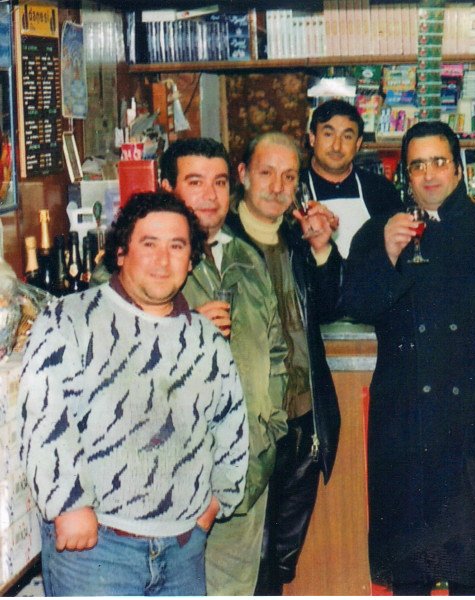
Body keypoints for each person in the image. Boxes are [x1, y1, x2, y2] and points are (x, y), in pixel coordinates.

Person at [342, 121, 475, 595]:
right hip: (404, 428)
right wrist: (387, 257)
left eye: (438, 162)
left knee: (470, 573)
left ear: (458, 168)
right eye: (417, 165)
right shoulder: (379, 232)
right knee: (409, 576)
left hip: (471, 426)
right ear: (404, 175)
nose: (429, 175)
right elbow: (355, 306)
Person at [20, 192, 248, 596]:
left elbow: (231, 426)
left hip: (183, 550)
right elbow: (44, 417)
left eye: (177, 246)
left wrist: (216, 504)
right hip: (96, 550)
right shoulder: (69, 319)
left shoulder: (207, 339)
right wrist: (67, 505)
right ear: (121, 253)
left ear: (191, 259)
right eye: (149, 244)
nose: (163, 260)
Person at [158, 138, 289, 595]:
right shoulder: (139, 263)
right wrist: (184, 327)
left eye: (219, 183)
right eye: (195, 183)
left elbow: (276, 355)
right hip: (171, 492)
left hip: (243, 482)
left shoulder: (245, 257)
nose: (210, 196)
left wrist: (266, 433)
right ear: (166, 187)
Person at [229, 131, 343, 595]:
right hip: (247, 428)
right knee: (242, 560)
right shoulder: (217, 243)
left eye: (289, 176)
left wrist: (322, 250)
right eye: (266, 173)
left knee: (279, 562)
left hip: (301, 424)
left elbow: (333, 308)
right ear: (242, 175)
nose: (277, 186)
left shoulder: (298, 239)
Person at [300, 98, 403, 257]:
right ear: (312, 138)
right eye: (328, 134)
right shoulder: (294, 187)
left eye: (347, 137)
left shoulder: (380, 189)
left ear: (358, 143)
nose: (337, 146)